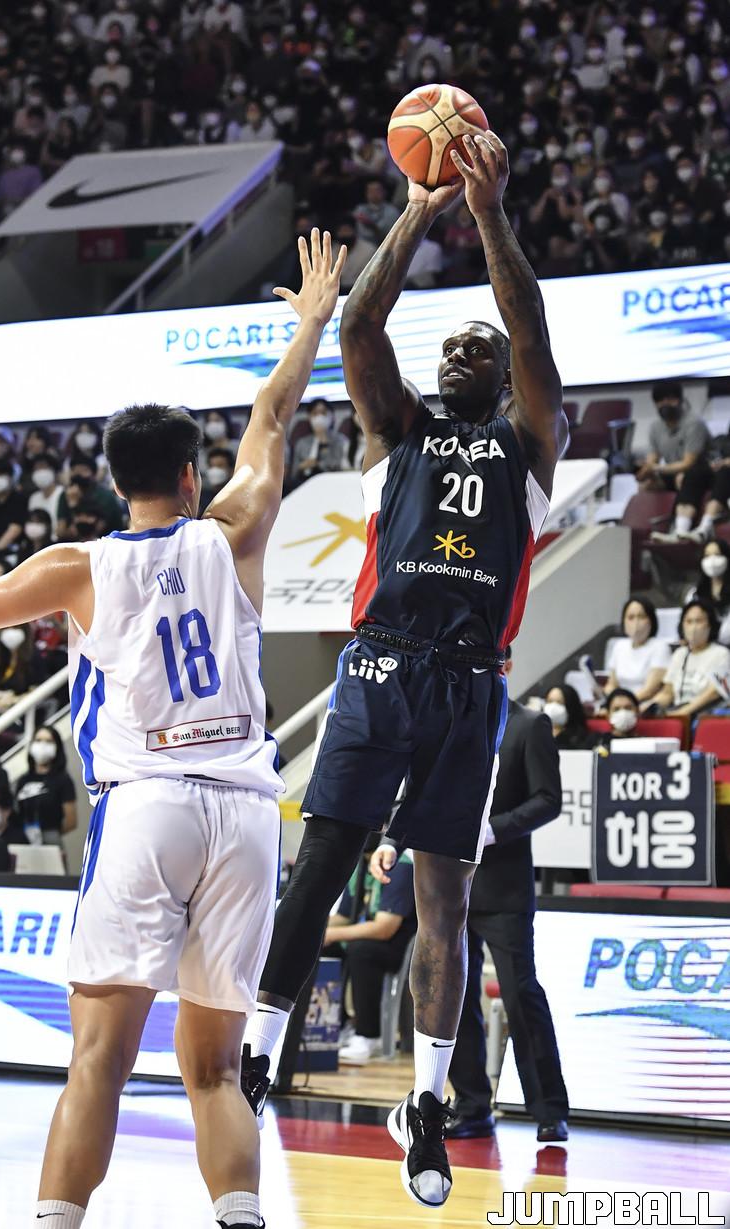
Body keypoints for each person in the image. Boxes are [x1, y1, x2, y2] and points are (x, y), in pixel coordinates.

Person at [0, 227, 345, 1229]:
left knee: (98, 1060)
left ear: (115, 483)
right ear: (193, 476)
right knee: (216, 1069)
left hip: (147, 805)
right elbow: (272, 414)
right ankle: (240, 1217)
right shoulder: (237, 527)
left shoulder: (80, 566)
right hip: (246, 812)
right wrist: (313, 322)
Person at [242, 130, 567, 1210]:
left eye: (482, 346)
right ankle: (260, 1050)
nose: (465, 349)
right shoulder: (397, 432)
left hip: (470, 681)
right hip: (381, 665)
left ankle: (428, 1104)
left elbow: (529, 325)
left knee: (442, 898)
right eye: (455, 344)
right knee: (322, 856)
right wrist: (421, 208)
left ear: (504, 377)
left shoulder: (529, 447)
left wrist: (488, 213)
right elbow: (360, 322)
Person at [371, 647, 568, 1142]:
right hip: (447, 888)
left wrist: (492, 831)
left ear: (506, 666)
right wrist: (392, 841)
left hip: (503, 889)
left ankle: (549, 1109)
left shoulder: (530, 725)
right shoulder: (445, 724)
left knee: (521, 992)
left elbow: (548, 800)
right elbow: (419, 793)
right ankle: (472, 1104)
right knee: (451, 995)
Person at [323, 846, 416, 1066]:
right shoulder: (359, 865)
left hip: (398, 945)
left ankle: (368, 1035)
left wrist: (332, 934)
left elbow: (385, 928)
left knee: (361, 951)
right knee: (320, 947)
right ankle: (339, 1024)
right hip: (367, 937)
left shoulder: (400, 866)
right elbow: (344, 917)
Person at [640, 382, 713, 543]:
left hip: (701, 471)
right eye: (660, 401)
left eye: (670, 400)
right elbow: (652, 459)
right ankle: (649, 530)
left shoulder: (694, 423)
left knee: (686, 476)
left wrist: (657, 468)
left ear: (680, 400)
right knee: (647, 485)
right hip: (673, 471)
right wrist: (646, 471)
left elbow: (689, 462)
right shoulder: (655, 427)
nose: (665, 404)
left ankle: (680, 529)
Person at [655, 599, 730, 720]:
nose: (693, 627)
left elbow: (714, 693)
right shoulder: (679, 654)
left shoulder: (721, 654)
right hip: (676, 712)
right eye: (689, 621)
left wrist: (682, 713)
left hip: (703, 715)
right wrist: (647, 707)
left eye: (699, 621)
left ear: (710, 625)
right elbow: (667, 693)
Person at [11, 725, 77, 850]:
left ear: (57, 746)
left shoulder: (63, 780)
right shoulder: (24, 780)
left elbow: (71, 821)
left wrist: (52, 834)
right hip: (23, 839)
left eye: (48, 741)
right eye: (38, 740)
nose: (42, 745)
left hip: (50, 839)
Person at [603, 596, 671, 707]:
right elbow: (612, 684)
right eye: (631, 617)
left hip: (644, 705)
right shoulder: (619, 646)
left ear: (651, 621)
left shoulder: (660, 647)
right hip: (618, 705)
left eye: (641, 617)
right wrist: (610, 698)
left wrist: (625, 703)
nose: (636, 622)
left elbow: (650, 690)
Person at [290, 399, 348, 484]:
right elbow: (293, 474)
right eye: (315, 413)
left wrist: (324, 442)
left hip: (332, 482)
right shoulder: (302, 443)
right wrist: (302, 466)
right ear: (309, 417)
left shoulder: (341, 440)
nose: (319, 417)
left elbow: (341, 467)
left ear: (332, 416)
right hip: (304, 483)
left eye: (323, 413)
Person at [687, 540, 730, 646]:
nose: (712, 560)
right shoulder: (694, 594)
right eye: (707, 556)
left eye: (717, 554)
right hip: (703, 647)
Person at [543, 683, 596, 750]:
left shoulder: (581, 738)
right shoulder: (538, 733)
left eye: (559, 702)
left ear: (571, 706)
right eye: (550, 701)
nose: (553, 707)